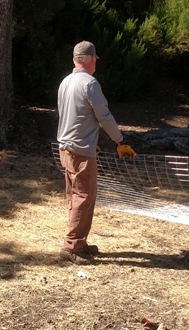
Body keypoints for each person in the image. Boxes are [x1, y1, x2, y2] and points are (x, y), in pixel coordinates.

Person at [56, 40, 135, 265]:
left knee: (76, 196)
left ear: (74, 59)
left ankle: (79, 242)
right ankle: (72, 246)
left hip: (67, 148)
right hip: (80, 152)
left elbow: (71, 115)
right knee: (83, 197)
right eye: (95, 60)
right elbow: (104, 117)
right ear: (91, 59)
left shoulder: (66, 82)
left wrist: (91, 141)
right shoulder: (90, 84)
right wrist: (119, 141)